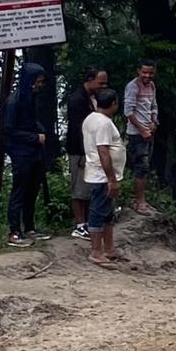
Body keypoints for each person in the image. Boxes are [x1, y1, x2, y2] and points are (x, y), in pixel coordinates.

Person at [2, 61, 55, 247]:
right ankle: (14, 231)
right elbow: (8, 130)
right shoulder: (13, 101)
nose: (39, 85)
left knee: (32, 190)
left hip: (34, 152)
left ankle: (30, 227)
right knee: (20, 191)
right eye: (38, 81)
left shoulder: (30, 98)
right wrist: (34, 137)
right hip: (21, 152)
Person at [81, 87, 129, 266]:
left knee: (108, 212)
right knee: (98, 211)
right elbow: (103, 151)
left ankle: (109, 248)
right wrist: (111, 179)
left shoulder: (92, 118)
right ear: (114, 103)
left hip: (103, 174)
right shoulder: (103, 123)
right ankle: (96, 251)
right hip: (102, 176)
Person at [65, 66, 108, 239]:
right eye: (100, 83)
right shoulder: (77, 100)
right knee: (78, 188)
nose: (103, 87)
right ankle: (80, 224)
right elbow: (78, 129)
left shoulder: (95, 97)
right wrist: (85, 153)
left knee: (90, 187)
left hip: (91, 150)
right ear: (90, 80)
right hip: (80, 150)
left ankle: (89, 221)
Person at [122, 61, 160, 215]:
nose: (147, 76)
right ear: (138, 71)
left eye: (150, 73)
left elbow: (153, 105)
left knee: (146, 166)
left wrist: (154, 121)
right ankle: (139, 201)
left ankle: (141, 198)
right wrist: (142, 129)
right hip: (136, 133)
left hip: (149, 130)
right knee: (141, 166)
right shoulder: (133, 87)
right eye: (144, 72)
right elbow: (128, 112)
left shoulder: (151, 86)